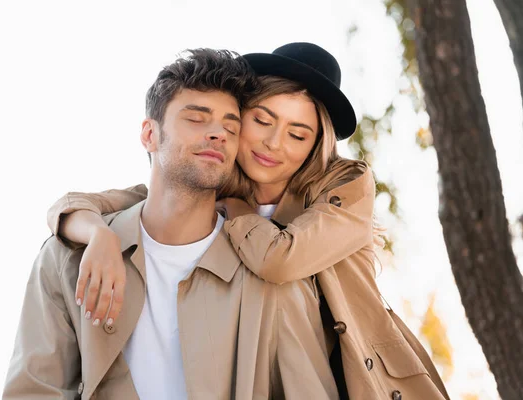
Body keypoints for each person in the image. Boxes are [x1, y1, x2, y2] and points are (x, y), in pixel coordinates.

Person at [47, 42, 451, 399]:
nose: (274, 144)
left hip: (362, 376)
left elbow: (280, 261)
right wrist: (97, 233)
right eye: (262, 121)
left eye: (297, 134)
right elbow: (104, 202)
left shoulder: (344, 186)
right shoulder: (216, 181)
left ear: (315, 145)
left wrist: (239, 212)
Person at [4, 48, 339, 400]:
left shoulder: (272, 278)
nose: (218, 134)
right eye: (196, 118)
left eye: (230, 126)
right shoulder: (66, 260)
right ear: (149, 134)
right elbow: (34, 391)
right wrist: (99, 234)